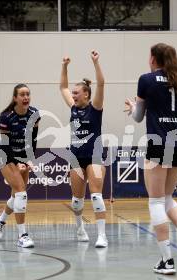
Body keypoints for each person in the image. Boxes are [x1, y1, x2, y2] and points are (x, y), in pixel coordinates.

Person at [125, 43, 177, 275]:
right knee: (167, 197)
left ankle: (167, 260)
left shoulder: (146, 79)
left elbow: (138, 117)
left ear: (154, 58)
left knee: (156, 201)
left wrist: (132, 108)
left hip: (158, 142)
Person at [60, 50, 108, 248]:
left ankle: (102, 236)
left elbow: (102, 84)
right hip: (76, 157)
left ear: (86, 94)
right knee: (77, 201)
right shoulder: (73, 108)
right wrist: (64, 66)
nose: (73, 95)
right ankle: (80, 229)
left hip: (95, 156)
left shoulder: (95, 107)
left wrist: (96, 63)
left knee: (96, 195)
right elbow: (62, 86)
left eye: (76, 93)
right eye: (73, 94)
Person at [0, 83, 40, 248]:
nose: (26, 97)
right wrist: (16, 163)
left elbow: (32, 140)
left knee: (16, 197)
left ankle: (0, 221)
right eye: (22, 94)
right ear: (15, 98)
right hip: (6, 156)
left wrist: (29, 160)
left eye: (28, 94)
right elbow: (5, 145)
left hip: (23, 155)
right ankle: (22, 236)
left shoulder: (34, 114)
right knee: (21, 193)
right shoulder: (6, 117)